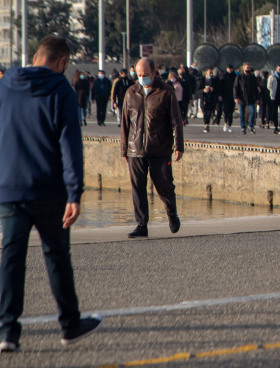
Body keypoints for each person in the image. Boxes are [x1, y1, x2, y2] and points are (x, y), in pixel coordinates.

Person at [0, 36, 104, 352]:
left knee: (11, 258)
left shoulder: (4, 86)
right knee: (57, 256)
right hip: (49, 190)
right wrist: (75, 193)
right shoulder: (60, 89)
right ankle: (70, 325)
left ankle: (7, 332)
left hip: (11, 189)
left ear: (34, 56)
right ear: (62, 62)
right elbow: (69, 145)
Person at [119, 58, 183, 239]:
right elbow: (125, 123)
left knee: (164, 185)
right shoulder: (131, 93)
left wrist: (178, 146)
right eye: (138, 75)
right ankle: (141, 224)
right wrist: (124, 149)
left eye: (145, 75)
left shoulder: (166, 92)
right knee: (137, 188)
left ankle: (171, 213)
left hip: (159, 149)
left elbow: (176, 122)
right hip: (135, 149)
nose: (141, 78)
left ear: (154, 73)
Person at [234, 63, 260, 134]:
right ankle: (243, 127)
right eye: (247, 68)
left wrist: (257, 98)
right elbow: (236, 87)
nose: (248, 69)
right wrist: (235, 97)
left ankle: (250, 125)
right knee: (242, 113)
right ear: (244, 68)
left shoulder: (252, 77)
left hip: (251, 97)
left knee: (253, 111)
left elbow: (255, 88)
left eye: (249, 68)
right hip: (242, 97)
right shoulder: (239, 77)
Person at [217, 65, 237, 132]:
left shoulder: (235, 76)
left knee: (231, 111)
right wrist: (220, 95)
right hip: (225, 95)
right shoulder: (223, 76)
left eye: (231, 69)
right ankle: (225, 123)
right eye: (229, 69)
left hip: (232, 95)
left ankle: (229, 124)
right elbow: (220, 86)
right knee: (225, 110)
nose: (230, 70)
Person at [201, 68, 218, 133]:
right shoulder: (202, 80)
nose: (211, 74)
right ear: (206, 73)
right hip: (204, 98)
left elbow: (217, 89)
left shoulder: (214, 80)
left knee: (210, 111)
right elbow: (198, 89)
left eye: (211, 73)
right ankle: (206, 124)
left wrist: (213, 89)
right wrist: (203, 90)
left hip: (211, 98)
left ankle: (209, 121)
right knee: (205, 112)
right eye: (209, 72)